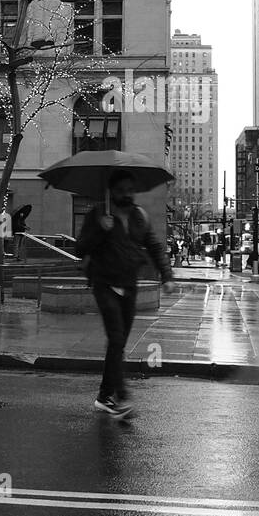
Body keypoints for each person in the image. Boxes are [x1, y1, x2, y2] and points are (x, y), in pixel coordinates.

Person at [74, 172, 178, 419]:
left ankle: (103, 396)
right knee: (117, 338)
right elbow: (80, 248)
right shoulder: (98, 214)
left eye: (130, 189)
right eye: (122, 189)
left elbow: (153, 245)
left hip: (129, 285)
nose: (127, 194)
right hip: (104, 284)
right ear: (112, 191)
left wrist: (167, 275)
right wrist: (100, 230)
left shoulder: (139, 216)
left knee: (118, 343)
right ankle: (121, 398)